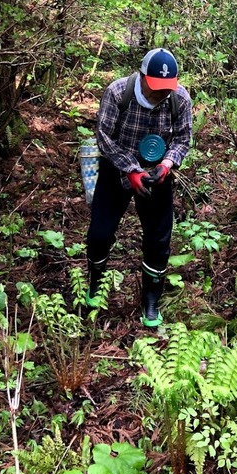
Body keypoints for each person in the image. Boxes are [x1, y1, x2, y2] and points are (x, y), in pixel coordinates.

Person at [86, 48, 193, 327]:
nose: (162, 94)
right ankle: (95, 286)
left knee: (159, 239)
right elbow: (104, 138)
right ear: (143, 77)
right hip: (117, 169)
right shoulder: (117, 92)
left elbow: (183, 139)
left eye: (166, 88)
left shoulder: (179, 98)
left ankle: (151, 298)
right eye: (156, 87)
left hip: (157, 173)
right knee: (100, 233)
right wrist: (130, 169)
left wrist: (167, 165)